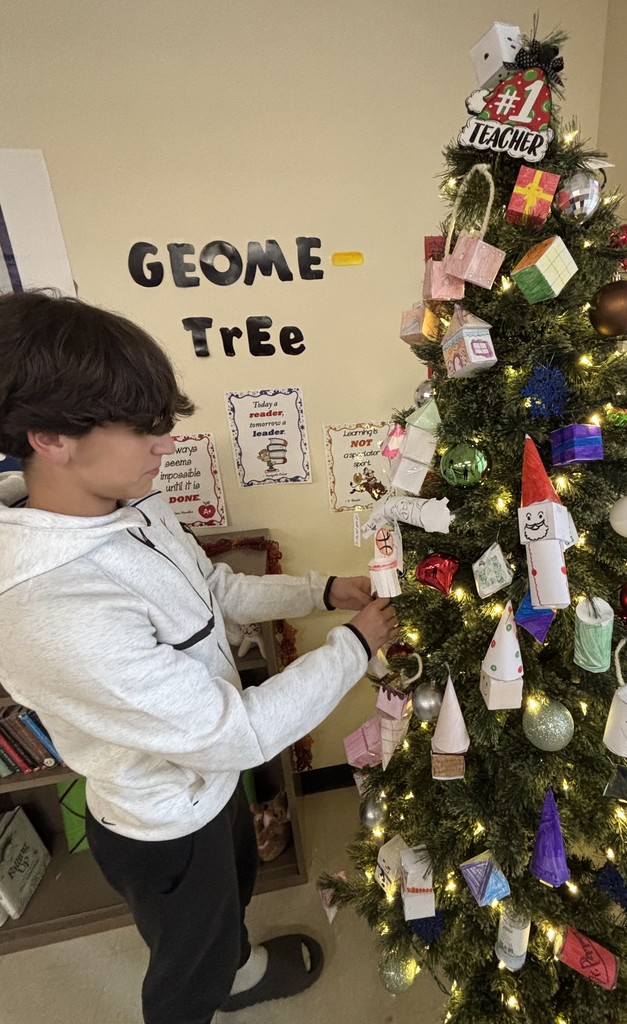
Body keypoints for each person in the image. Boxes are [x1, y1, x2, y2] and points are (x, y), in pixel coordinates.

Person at [0, 290, 399, 1024]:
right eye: (143, 429)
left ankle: (237, 964)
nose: (166, 445)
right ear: (51, 437)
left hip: (212, 792)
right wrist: (356, 643)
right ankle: (211, 986)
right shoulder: (51, 604)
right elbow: (238, 732)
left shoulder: (130, 502)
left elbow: (213, 587)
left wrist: (325, 591)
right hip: (162, 823)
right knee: (188, 968)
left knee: (230, 899)